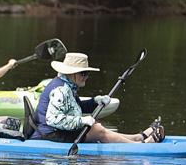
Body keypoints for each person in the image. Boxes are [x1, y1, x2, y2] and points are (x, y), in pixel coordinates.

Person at [30, 52, 163, 143]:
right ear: (71, 73)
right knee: (97, 129)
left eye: (87, 73)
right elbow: (53, 120)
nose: (86, 77)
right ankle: (141, 145)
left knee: (97, 127)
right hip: (49, 134)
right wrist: (81, 121)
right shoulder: (61, 90)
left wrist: (95, 101)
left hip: (57, 130)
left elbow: (77, 107)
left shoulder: (68, 85)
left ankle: (137, 137)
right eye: (83, 73)